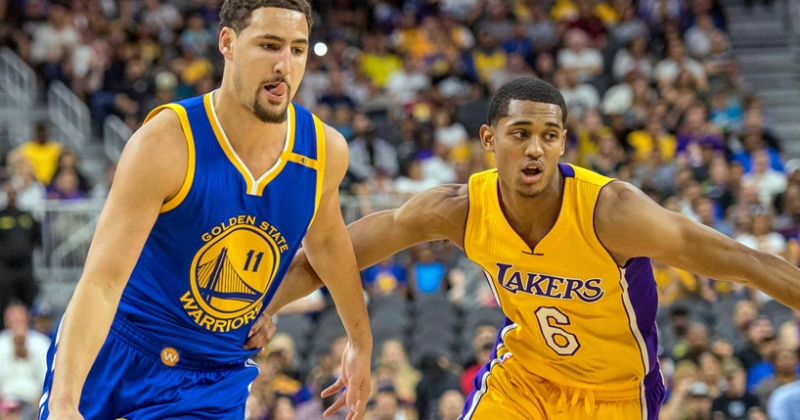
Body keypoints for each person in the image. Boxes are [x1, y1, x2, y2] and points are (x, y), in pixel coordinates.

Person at [267, 77, 800, 419]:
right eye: (520, 133)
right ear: (489, 139)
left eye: (549, 135)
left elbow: (746, 263)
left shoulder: (613, 212)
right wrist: (257, 309)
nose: (535, 148)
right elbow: (330, 255)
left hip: (616, 394)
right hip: (525, 377)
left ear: (564, 141)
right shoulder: (457, 209)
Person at [40, 1, 372, 419]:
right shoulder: (166, 141)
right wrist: (64, 402)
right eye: (269, 46)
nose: (284, 65)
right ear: (227, 43)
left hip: (214, 378)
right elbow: (101, 283)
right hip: (119, 352)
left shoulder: (324, 151)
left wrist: (361, 341)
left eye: (297, 49)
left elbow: (327, 244)